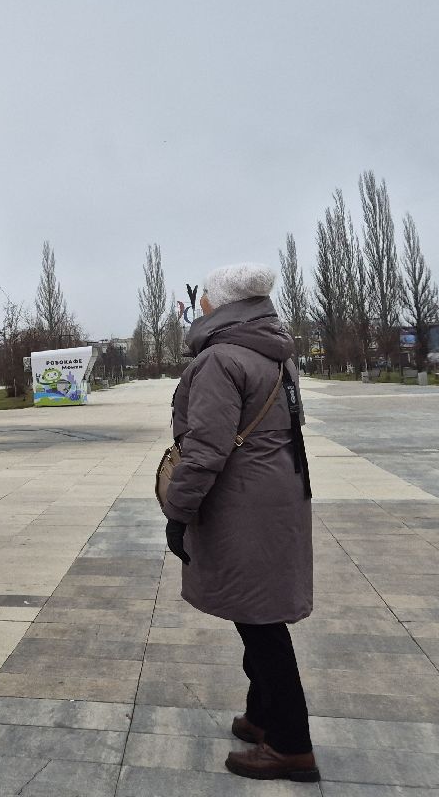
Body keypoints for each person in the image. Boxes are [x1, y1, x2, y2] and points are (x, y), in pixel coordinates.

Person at [161, 263, 318, 783]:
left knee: (261, 623)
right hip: (278, 496)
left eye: (205, 295)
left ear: (223, 304)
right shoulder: (273, 352)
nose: (200, 302)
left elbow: (204, 450)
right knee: (257, 613)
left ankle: (291, 745)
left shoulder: (220, 360)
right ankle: (263, 715)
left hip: (241, 504)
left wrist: (178, 511)